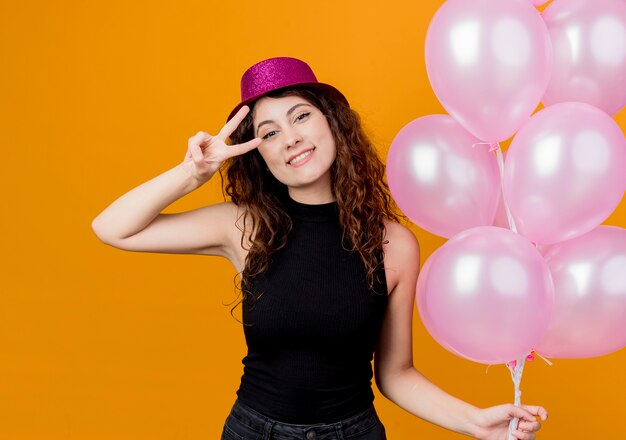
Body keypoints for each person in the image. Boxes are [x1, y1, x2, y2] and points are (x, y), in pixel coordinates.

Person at [91, 57, 548, 439]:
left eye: (301, 116)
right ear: (260, 155)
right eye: (268, 132)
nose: (289, 138)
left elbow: (395, 375)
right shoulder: (244, 226)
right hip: (256, 432)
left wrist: (478, 423)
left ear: (332, 121)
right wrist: (192, 174)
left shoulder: (394, 245)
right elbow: (113, 228)